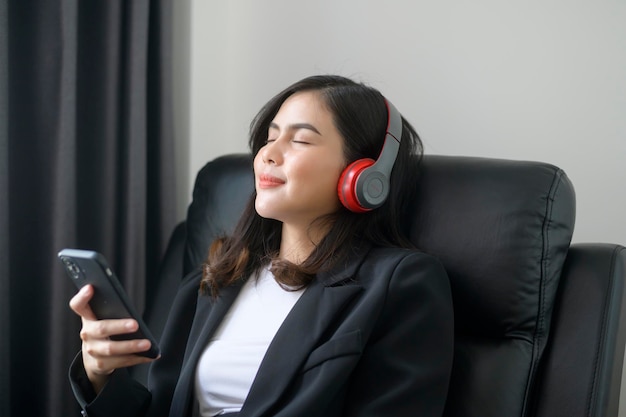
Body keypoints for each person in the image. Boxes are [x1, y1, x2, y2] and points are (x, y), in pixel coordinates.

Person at [69, 74, 454, 417]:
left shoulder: (400, 282)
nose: (268, 153)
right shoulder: (218, 278)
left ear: (364, 175)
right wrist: (99, 375)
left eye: (300, 139)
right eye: (269, 138)